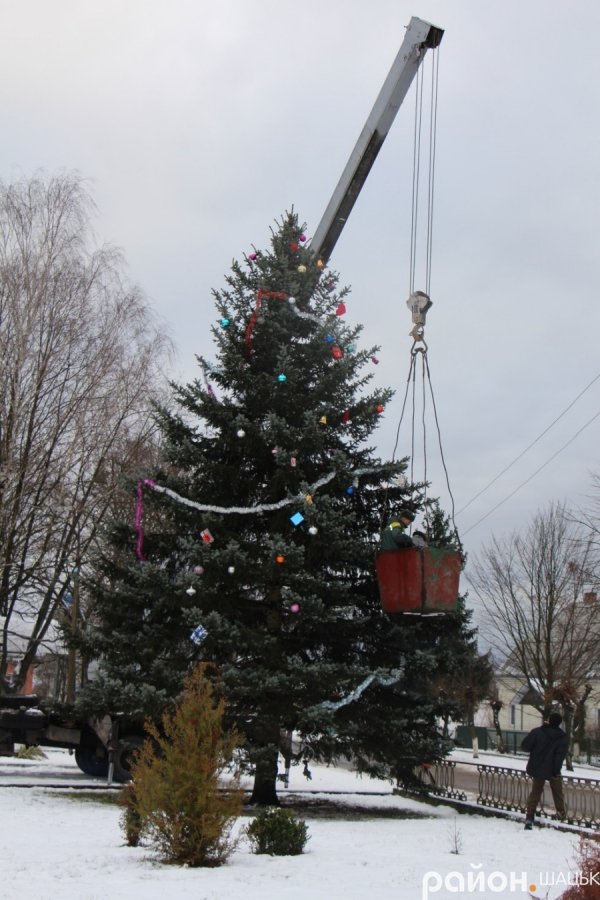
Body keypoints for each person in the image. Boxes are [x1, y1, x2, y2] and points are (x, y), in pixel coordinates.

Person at [521, 711, 568, 829]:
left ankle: (530, 816)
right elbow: (559, 756)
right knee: (558, 793)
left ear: (548, 720)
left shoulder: (538, 732)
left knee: (535, 792)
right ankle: (561, 815)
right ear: (559, 723)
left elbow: (525, 746)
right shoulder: (562, 737)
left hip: (538, 768)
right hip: (553, 770)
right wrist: (556, 771)